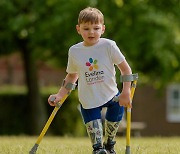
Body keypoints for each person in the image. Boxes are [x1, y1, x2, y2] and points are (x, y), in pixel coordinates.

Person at [48, 7, 132, 154]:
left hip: (111, 94)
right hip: (89, 99)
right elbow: (72, 76)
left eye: (96, 28)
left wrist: (126, 92)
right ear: (78, 29)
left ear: (103, 29)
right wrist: (60, 95)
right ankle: (98, 149)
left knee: (113, 121)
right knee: (96, 137)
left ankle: (110, 145)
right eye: (86, 28)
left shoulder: (109, 46)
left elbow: (126, 70)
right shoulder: (74, 51)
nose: (91, 32)